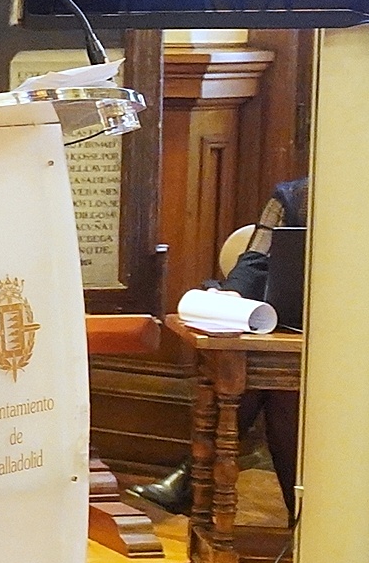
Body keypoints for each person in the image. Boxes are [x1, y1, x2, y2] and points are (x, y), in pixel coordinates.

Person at [131, 176, 308, 515]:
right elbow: (256, 258)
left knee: (269, 386)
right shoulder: (295, 195)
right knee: (268, 382)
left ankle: (192, 480)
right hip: (297, 326)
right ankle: (301, 519)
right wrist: (233, 293)